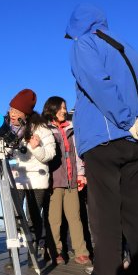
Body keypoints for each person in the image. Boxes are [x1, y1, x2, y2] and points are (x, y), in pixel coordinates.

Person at [64, 4, 138, 275]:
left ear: (78, 24)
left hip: (104, 137)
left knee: (103, 211)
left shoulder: (85, 44)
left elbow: (96, 83)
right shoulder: (130, 50)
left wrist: (124, 119)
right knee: (135, 210)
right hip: (135, 141)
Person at [6, 89, 56, 265]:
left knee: (33, 218)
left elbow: (50, 154)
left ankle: (33, 255)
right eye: (11, 109)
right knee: (13, 218)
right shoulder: (7, 129)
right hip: (16, 178)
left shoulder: (41, 128)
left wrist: (35, 147)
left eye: (16, 111)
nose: (12, 114)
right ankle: (13, 257)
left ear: (25, 113)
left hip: (36, 179)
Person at [41, 96, 90, 265]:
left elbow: (76, 154)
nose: (64, 110)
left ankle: (81, 251)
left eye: (65, 107)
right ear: (52, 109)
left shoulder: (71, 129)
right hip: (54, 181)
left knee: (75, 217)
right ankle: (55, 251)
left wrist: (81, 174)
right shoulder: (44, 129)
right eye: (61, 107)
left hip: (71, 180)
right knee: (54, 219)